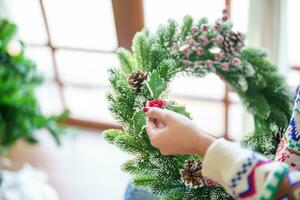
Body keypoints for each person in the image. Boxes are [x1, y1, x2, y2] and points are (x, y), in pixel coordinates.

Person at [142, 87, 300, 200]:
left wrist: (200, 143)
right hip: (274, 163)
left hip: (262, 183)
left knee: (140, 191)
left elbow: (284, 188)